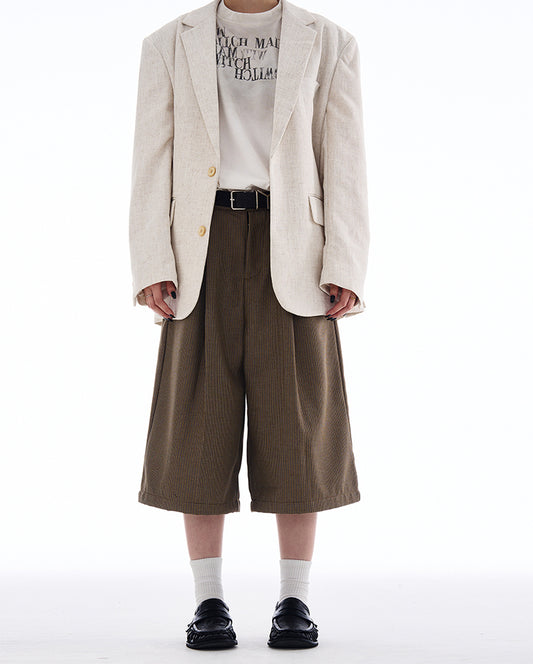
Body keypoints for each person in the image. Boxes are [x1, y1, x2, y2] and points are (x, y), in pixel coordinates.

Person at [128, 0, 370, 650]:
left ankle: (295, 601)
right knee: (197, 425)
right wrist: (151, 259)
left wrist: (345, 261)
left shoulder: (331, 41)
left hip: (296, 252)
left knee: (298, 429)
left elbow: (344, 155)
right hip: (199, 248)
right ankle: (208, 602)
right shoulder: (167, 42)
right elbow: (151, 153)